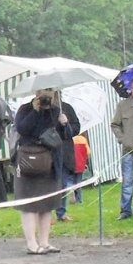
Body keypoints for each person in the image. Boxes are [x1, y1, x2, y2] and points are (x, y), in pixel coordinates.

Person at [14, 88, 75, 255]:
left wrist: (65, 123)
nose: (46, 95)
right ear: (36, 92)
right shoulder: (25, 109)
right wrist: (35, 111)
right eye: (43, 91)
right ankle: (31, 243)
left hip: (50, 164)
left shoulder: (58, 111)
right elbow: (22, 129)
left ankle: (44, 242)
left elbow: (67, 136)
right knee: (29, 205)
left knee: (47, 205)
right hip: (29, 163)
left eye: (49, 91)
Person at [110, 76, 133, 220]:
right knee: (127, 180)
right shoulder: (122, 105)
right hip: (128, 149)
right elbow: (114, 124)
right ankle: (125, 210)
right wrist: (122, 139)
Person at [54, 94, 80, 222]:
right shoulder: (41, 110)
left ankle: (61, 212)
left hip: (64, 152)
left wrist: (65, 123)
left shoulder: (67, 108)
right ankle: (44, 214)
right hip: (46, 153)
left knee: (62, 184)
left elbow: (75, 129)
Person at [72, 133, 91, 204]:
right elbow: (88, 153)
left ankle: (75, 197)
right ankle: (79, 199)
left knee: (73, 182)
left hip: (72, 164)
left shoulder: (71, 139)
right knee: (78, 182)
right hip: (81, 164)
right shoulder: (83, 139)